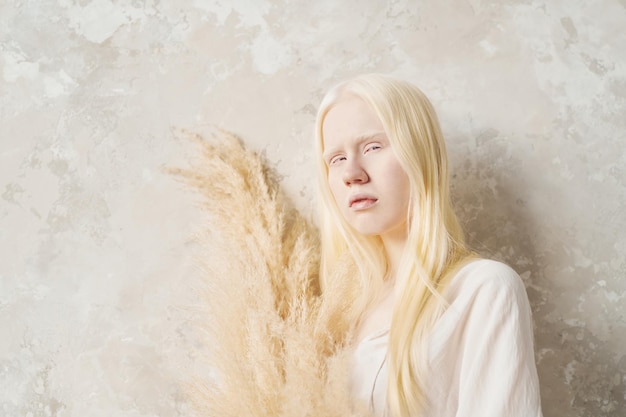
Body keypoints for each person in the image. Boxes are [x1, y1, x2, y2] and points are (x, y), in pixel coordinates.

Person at [314, 74, 543, 417]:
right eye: (335, 158)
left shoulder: (483, 290)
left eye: (372, 147)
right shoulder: (335, 312)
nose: (352, 173)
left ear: (420, 155)